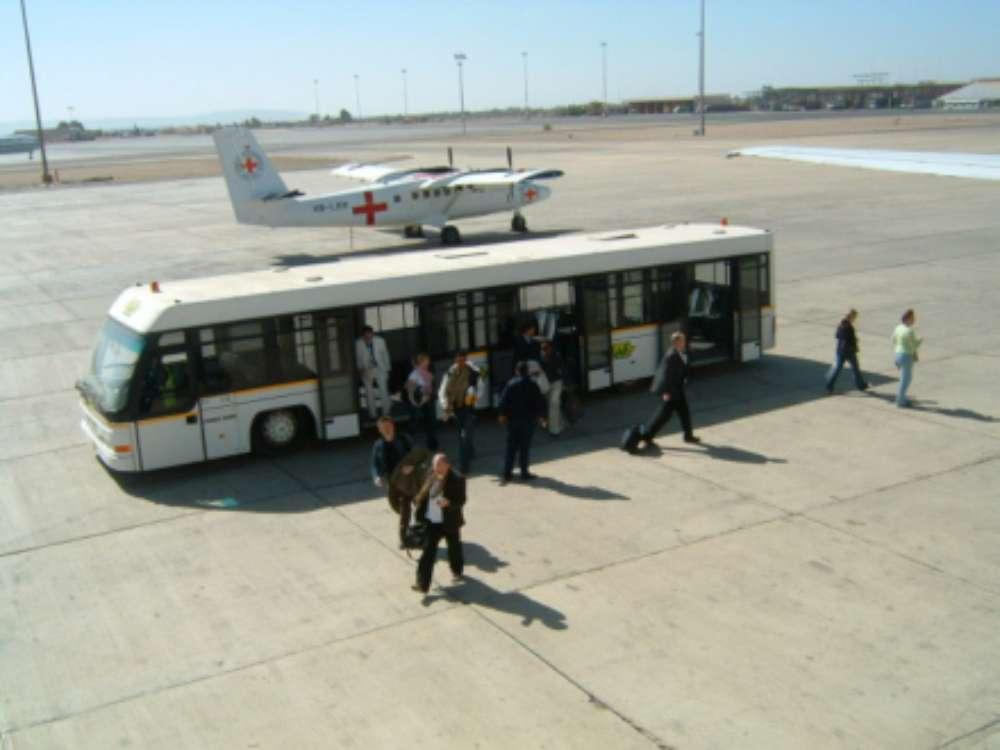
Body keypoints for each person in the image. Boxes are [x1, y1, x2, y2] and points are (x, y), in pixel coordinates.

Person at [412, 453, 466, 594]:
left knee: (454, 549)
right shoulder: (429, 475)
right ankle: (422, 584)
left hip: (450, 521)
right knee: (428, 552)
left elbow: (461, 501)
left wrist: (449, 503)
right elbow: (421, 493)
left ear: (447, 465)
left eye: (440, 466)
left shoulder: (458, 478)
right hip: (432, 522)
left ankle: (457, 570)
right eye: (435, 466)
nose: (437, 469)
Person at [642, 331, 700, 448]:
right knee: (663, 416)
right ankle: (647, 436)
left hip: (677, 390)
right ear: (676, 342)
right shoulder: (672, 355)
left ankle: (688, 436)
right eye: (682, 340)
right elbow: (666, 376)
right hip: (672, 392)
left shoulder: (678, 352)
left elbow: (681, 370)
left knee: (683, 413)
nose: (684, 342)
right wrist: (666, 392)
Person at [370, 416, 418, 548]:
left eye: (388, 426)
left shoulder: (404, 439)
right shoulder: (378, 445)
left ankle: (404, 539)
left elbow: (417, 455)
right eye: (383, 428)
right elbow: (374, 464)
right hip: (391, 482)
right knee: (396, 507)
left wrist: (412, 465)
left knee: (405, 508)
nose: (386, 430)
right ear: (379, 430)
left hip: (407, 480)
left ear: (393, 426)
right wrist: (376, 476)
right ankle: (411, 526)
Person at [498, 361, 547, 485]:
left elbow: (503, 401)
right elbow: (539, 402)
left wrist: (502, 415)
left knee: (511, 447)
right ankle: (524, 473)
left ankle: (507, 474)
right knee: (524, 447)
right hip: (528, 421)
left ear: (517, 371)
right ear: (528, 371)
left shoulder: (511, 384)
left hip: (513, 421)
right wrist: (541, 417)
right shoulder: (533, 384)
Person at [438, 350, 480, 474]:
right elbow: (442, 390)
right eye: (458, 360)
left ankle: (464, 466)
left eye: (463, 359)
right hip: (455, 408)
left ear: (466, 359)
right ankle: (469, 451)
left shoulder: (473, 371)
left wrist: (474, 397)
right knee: (462, 435)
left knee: (464, 436)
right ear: (455, 360)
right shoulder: (450, 372)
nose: (461, 362)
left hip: (468, 408)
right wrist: (445, 405)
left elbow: (480, 387)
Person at [825, 309, 869, 393]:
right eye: (855, 317)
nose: (855, 319)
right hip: (848, 351)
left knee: (838, 369)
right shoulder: (847, 326)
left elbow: (837, 336)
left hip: (841, 351)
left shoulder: (841, 325)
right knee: (855, 369)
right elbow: (846, 339)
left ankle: (829, 386)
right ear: (852, 316)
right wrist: (853, 342)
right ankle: (861, 385)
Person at [355, 325, 392, 419]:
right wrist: (360, 369)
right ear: (363, 335)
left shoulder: (380, 341)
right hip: (366, 369)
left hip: (380, 368)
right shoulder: (358, 343)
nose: (368, 337)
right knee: (369, 392)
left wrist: (387, 369)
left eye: (370, 335)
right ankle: (373, 414)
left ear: (372, 334)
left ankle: (386, 412)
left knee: (383, 389)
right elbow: (358, 358)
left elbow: (385, 355)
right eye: (366, 336)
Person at [405, 352, 438, 450]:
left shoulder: (427, 372)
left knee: (430, 422)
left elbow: (430, 387)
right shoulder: (414, 374)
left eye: (428, 361)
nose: (428, 363)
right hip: (418, 402)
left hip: (427, 400)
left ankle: (432, 443)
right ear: (421, 362)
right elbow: (410, 389)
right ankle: (406, 441)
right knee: (415, 423)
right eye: (426, 361)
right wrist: (414, 401)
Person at [892, 308, 922, 407]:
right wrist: (920, 340)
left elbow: (893, 340)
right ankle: (900, 400)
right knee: (906, 379)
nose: (914, 320)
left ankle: (902, 397)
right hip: (906, 356)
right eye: (913, 318)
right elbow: (914, 345)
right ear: (908, 319)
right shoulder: (909, 331)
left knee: (903, 377)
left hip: (897, 354)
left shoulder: (898, 328)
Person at [539, 341, 565, 436]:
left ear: (550, 347)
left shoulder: (556, 356)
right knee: (553, 404)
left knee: (554, 403)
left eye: (546, 348)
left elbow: (562, 369)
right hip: (546, 384)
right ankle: (560, 423)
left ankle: (554, 430)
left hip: (556, 383)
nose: (544, 350)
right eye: (543, 349)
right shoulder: (540, 357)